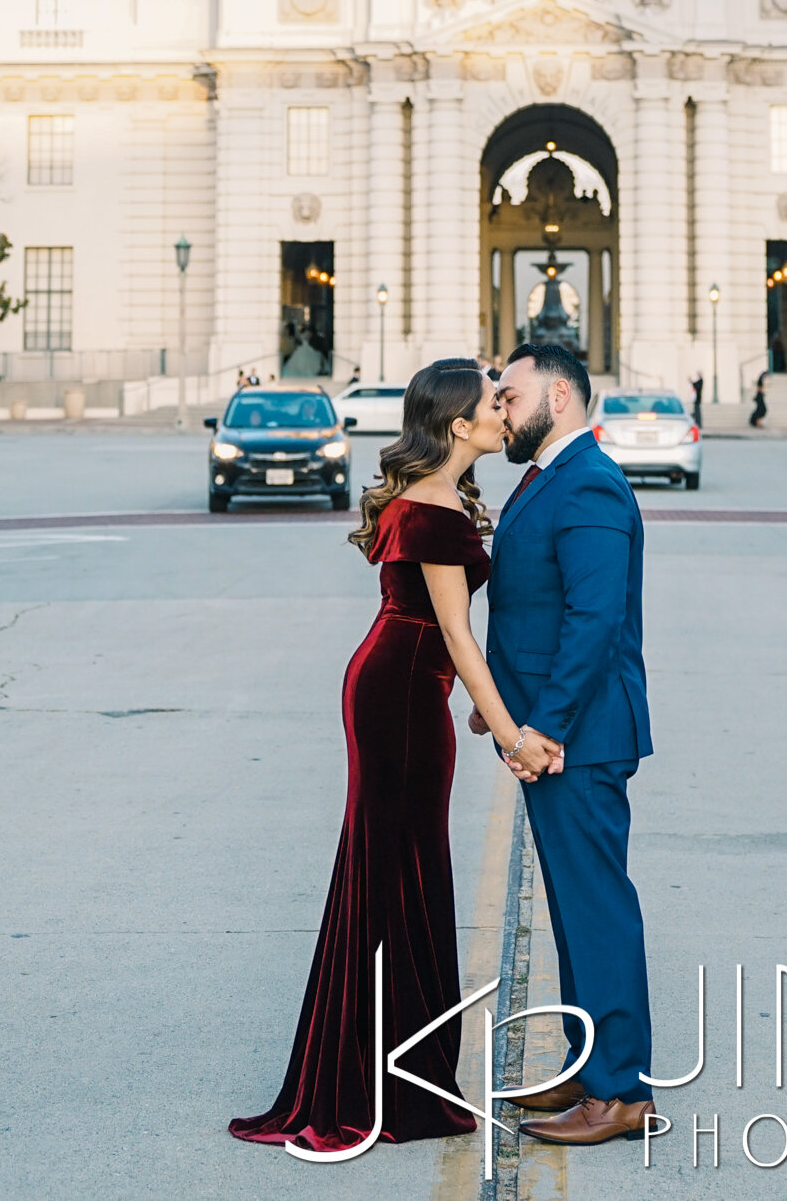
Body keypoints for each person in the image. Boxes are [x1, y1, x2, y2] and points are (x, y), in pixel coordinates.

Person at [231, 359, 545, 1152]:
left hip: (400, 683)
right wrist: (508, 731)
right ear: (457, 426)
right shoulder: (433, 511)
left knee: (399, 870)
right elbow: (454, 636)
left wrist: (477, 704)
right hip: (400, 693)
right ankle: (374, 1085)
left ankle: (387, 1073)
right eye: (489, 405)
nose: (503, 413)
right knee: (394, 873)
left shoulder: (436, 501)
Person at [480, 341, 654, 1147]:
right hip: (552, 731)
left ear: (558, 396)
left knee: (596, 911)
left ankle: (621, 1093)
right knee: (574, 911)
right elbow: (532, 608)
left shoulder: (588, 481)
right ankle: (592, 1071)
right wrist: (502, 709)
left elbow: (593, 620)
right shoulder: (547, 477)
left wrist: (542, 726)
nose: (498, 407)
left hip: (579, 739)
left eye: (508, 395)